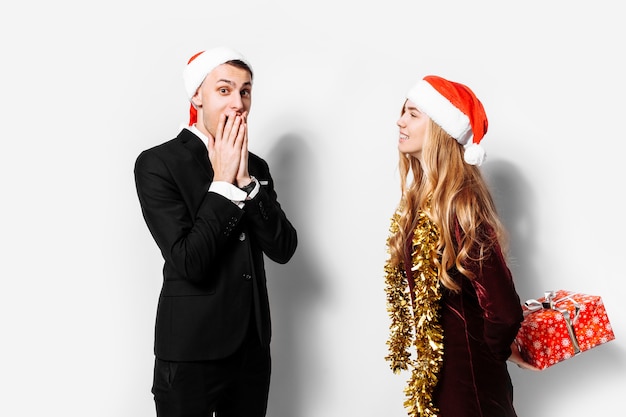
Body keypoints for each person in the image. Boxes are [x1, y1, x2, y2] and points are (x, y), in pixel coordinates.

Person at [134, 46, 298, 417]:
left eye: (245, 91)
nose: (238, 103)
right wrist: (224, 183)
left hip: (252, 351)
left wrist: (246, 183)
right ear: (197, 96)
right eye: (224, 90)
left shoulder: (255, 166)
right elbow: (189, 261)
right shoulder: (158, 163)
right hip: (191, 351)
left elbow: (284, 248)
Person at [383, 75, 536, 417]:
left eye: (412, 114)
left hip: (470, 387)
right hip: (439, 375)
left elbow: (503, 309)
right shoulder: (421, 203)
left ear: (439, 129)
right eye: (403, 112)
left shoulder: (461, 209)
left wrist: (492, 353)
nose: (400, 121)